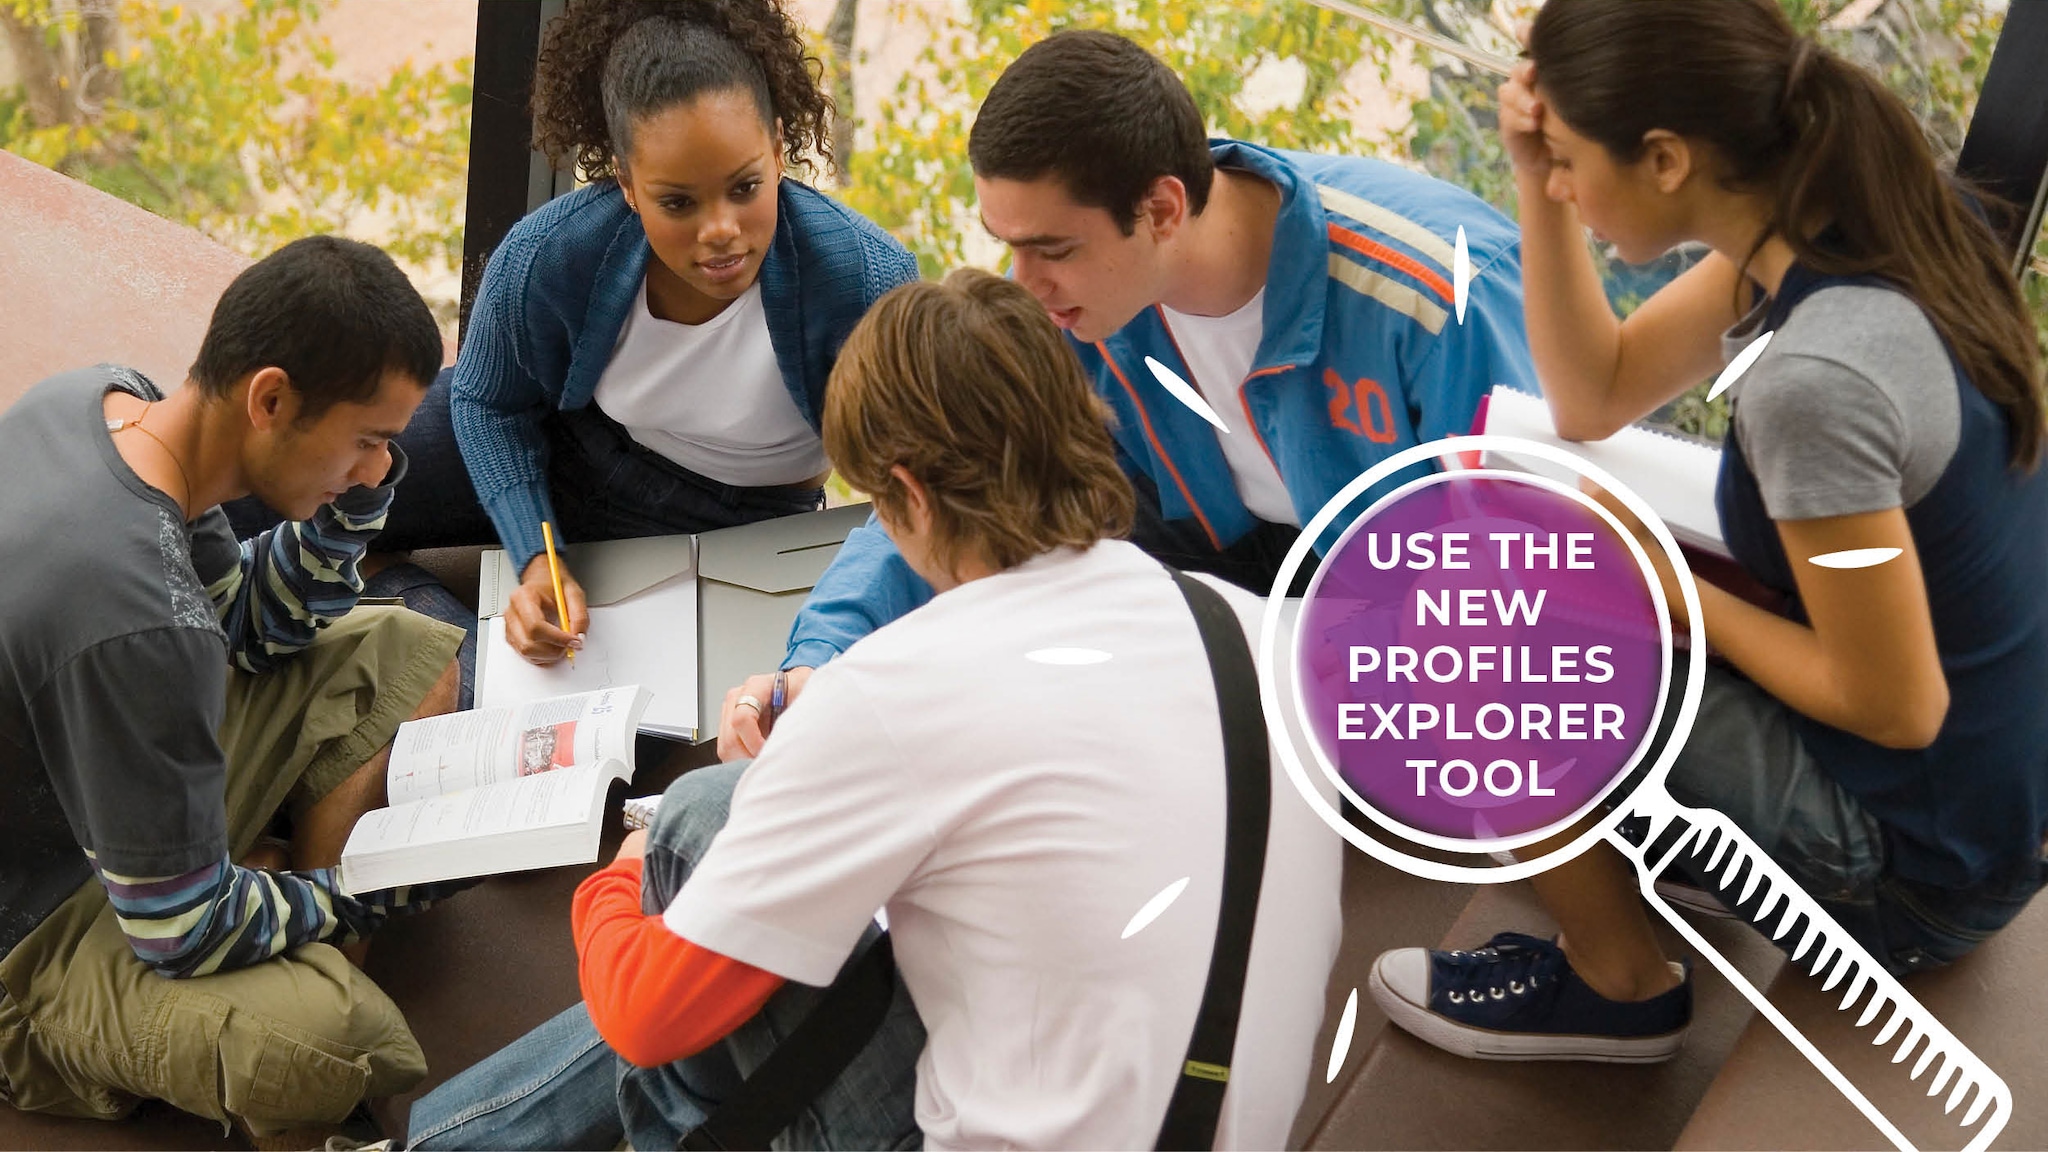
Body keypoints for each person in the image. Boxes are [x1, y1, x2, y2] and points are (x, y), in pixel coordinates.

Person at [401, 269, 1344, 1150]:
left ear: (910, 495)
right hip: (1222, 1118)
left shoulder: (901, 687)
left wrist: (617, 878)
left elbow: (644, 1014)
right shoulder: (1260, 630)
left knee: (697, 852)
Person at [1369, 0, 2048, 1064]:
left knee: (1468, 639)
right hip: (1995, 794)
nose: (1556, 186)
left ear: (1665, 158)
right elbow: (1594, 393)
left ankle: (1617, 992)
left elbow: (1895, 706)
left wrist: (1668, 589)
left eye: (1565, 165)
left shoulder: (1814, 384)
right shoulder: (1868, 219)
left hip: (1917, 879)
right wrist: (1535, 189)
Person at [720, 29, 1536, 758]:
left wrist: (1318, 661)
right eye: (1008, 246)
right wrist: (818, 659)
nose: (1023, 285)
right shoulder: (1083, 296)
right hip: (1246, 578)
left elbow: (1532, 578)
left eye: (1052, 248)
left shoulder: (1438, 299)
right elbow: (939, 480)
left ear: (1161, 209)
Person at [225, 0, 919, 684]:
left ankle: (403, 598)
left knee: (560, 690)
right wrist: (537, 555)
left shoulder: (866, 280)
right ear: (625, 184)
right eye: (677, 202)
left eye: (745, 187)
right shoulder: (550, 255)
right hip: (568, 448)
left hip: (739, 522)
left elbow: (914, 481)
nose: (721, 231)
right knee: (303, 461)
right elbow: (489, 404)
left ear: (776, 148)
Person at [0, 237, 468, 1140]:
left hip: (97, 800)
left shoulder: (110, 404)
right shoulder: (145, 621)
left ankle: (263, 902)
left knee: (401, 648)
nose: (379, 467)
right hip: (32, 927)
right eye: (369, 441)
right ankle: (280, 953)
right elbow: (178, 931)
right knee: (340, 1041)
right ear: (271, 399)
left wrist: (355, 500)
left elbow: (251, 624)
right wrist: (359, 897)